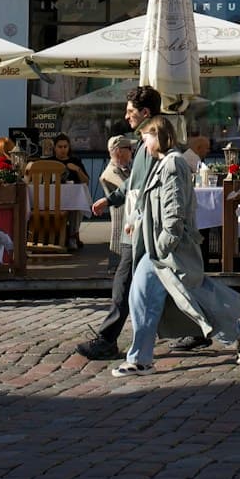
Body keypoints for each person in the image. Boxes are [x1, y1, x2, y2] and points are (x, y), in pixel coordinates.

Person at [114, 114, 240, 377]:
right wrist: (137, 222)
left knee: (152, 299)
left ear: (157, 136)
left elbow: (174, 210)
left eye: (145, 137)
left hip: (165, 250)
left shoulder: (172, 165)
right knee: (186, 298)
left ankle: (140, 359)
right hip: (159, 248)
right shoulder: (161, 164)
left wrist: (161, 246)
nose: (143, 143)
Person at [75, 87, 166, 361]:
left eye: (130, 112)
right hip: (137, 226)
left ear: (145, 113)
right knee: (163, 284)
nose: (126, 117)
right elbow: (135, 181)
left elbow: (146, 185)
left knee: (125, 284)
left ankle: (106, 340)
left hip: (141, 228)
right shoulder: (142, 143)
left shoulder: (152, 145)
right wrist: (111, 200)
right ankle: (201, 332)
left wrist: (133, 214)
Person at [48, 133, 90, 249]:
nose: (63, 150)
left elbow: (86, 182)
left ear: (69, 147)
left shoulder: (75, 161)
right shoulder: (48, 162)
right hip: (51, 200)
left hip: (71, 198)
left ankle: (72, 236)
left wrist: (77, 169)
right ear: (54, 148)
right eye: (60, 147)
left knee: (77, 206)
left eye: (65, 147)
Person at [99, 134, 137, 256]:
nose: (132, 152)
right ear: (119, 151)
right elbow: (129, 190)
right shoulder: (111, 173)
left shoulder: (124, 169)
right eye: (129, 149)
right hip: (123, 227)